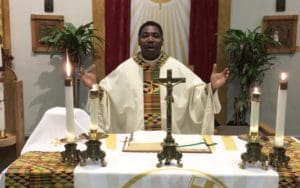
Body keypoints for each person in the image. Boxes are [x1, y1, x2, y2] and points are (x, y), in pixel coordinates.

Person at [80, 21, 229, 134]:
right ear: (138, 41)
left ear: (162, 41)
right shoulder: (125, 70)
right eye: (145, 36)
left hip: (169, 140)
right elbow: (107, 98)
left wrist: (211, 88)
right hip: (135, 142)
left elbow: (196, 95)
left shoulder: (176, 68)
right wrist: (94, 88)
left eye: (156, 36)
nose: (150, 39)